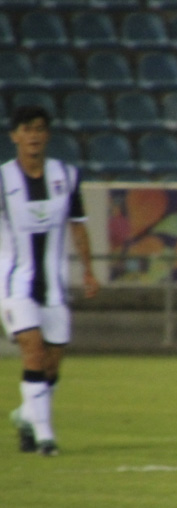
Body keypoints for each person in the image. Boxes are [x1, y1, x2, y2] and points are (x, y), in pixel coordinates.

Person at [3, 105, 100, 457]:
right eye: (27, 129)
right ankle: (45, 438)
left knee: (51, 364)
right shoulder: (2, 179)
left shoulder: (66, 176)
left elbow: (78, 224)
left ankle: (26, 417)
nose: (34, 135)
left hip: (55, 287)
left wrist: (88, 270)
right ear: (14, 136)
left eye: (40, 128)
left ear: (47, 134)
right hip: (15, 286)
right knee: (32, 349)